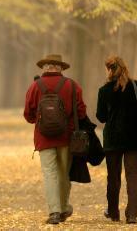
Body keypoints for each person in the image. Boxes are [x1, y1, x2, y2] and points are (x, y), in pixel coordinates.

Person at [24, 54, 87, 225]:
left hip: (43, 138)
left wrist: (40, 121)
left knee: (49, 173)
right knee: (63, 173)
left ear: (45, 68)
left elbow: (28, 114)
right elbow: (81, 111)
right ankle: (64, 206)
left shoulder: (35, 86)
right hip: (67, 138)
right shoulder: (72, 86)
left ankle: (54, 212)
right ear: (60, 68)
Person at [96, 56, 137, 224]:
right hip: (134, 139)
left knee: (113, 177)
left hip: (113, 140)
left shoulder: (104, 91)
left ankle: (113, 212)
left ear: (109, 70)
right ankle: (131, 215)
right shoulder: (136, 86)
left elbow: (101, 117)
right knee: (132, 176)